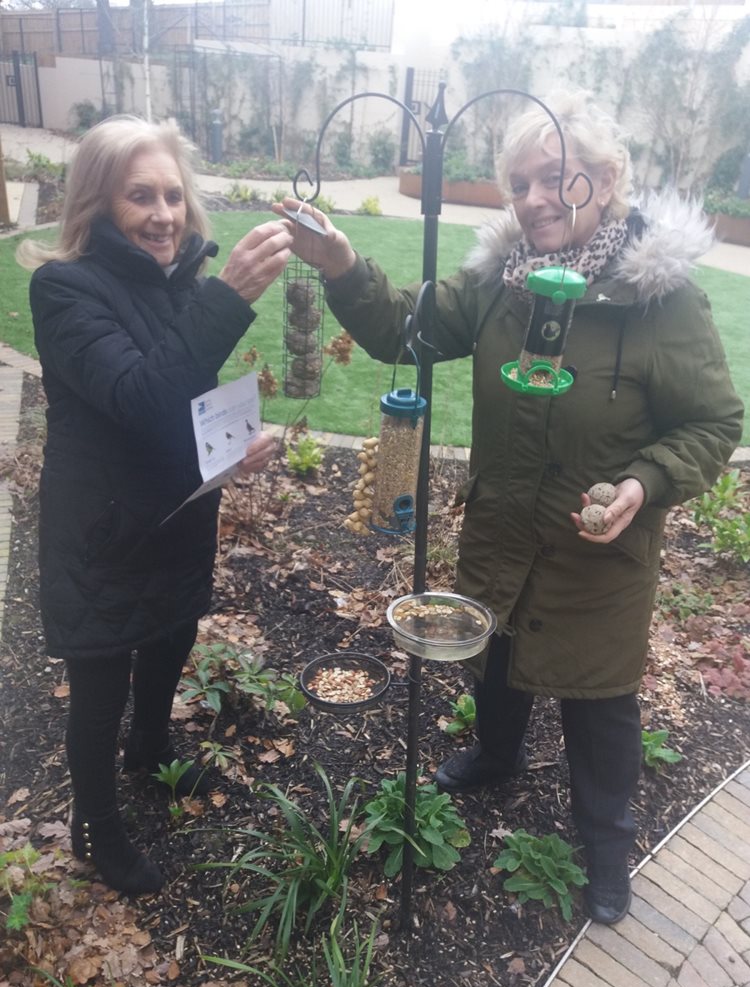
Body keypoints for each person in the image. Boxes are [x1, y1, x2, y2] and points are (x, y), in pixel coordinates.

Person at [274, 91, 744, 924]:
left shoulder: (661, 302)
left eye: (552, 179)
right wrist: (342, 263)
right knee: (494, 655)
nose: (531, 200)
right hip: (503, 526)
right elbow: (404, 333)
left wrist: (644, 483)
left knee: (600, 698)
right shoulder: (501, 285)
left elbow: (713, 421)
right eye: (518, 183)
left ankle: (605, 843)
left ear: (601, 182)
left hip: (600, 548)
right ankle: (497, 757)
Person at [17, 115, 293, 895]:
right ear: (98, 203)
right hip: (102, 531)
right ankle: (96, 824)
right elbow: (139, 397)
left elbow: (181, 402)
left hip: (175, 513)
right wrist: (231, 295)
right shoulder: (64, 289)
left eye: (173, 195)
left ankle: (152, 749)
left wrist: (230, 449)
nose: (164, 214)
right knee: (99, 686)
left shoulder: (183, 286)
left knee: (170, 637)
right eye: (141, 196)